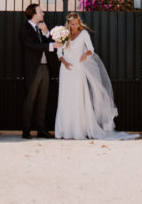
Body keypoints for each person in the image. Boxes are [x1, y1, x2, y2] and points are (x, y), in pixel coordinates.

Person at [54, 12, 134, 140]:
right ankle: (64, 130)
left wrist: (85, 55)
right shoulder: (63, 34)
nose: (74, 26)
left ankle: (79, 129)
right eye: (72, 24)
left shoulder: (84, 34)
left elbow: (91, 49)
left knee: (78, 97)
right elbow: (59, 52)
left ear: (79, 23)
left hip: (78, 68)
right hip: (65, 69)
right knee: (65, 98)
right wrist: (64, 63)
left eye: (76, 24)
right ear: (68, 24)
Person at [18, 3, 59, 139]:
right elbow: (32, 45)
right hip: (33, 69)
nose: (43, 14)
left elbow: (49, 41)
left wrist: (46, 31)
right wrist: (51, 45)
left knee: (43, 100)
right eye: (40, 12)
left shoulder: (41, 27)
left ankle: (41, 129)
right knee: (30, 100)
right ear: (34, 14)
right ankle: (26, 130)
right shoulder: (25, 29)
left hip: (45, 68)